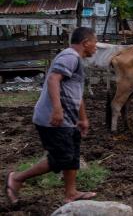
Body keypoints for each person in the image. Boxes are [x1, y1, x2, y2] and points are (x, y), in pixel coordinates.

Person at [5, 27, 98, 204]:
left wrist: (83, 118)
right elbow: (53, 79)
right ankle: (16, 178)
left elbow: (76, 93)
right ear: (85, 43)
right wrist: (57, 109)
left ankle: (71, 193)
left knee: (72, 155)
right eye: (95, 42)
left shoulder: (75, 59)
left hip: (68, 120)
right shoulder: (69, 56)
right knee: (61, 158)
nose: (97, 46)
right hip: (53, 119)